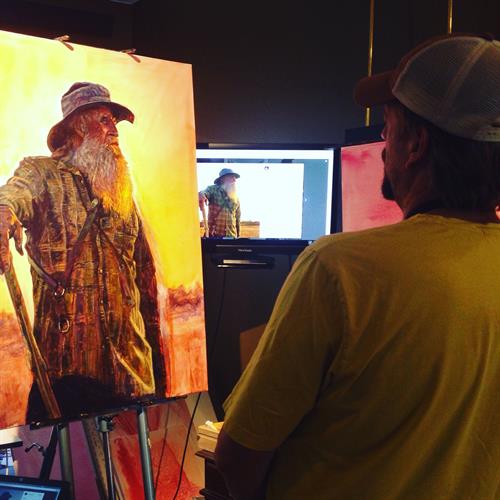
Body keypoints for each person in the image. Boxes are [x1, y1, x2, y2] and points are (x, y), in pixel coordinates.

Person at [215, 33, 500, 499]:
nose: (383, 148)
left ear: (416, 145)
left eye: (388, 129)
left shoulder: (339, 269)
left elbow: (240, 452)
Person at [0, 82, 166, 421]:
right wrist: (4, 214)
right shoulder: (41, 174)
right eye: (104, 120)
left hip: (132, 376)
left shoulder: (121, 195)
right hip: (67, 379)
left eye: (114, 123)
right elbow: (13, 196)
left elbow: (146, 286)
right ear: (78, 126)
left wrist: (162, 380)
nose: (114, 131)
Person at [199, 168, 241, 238]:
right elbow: (205, 192)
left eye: (235, 178)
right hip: (214, 237)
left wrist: (238, 237)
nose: (234, 180)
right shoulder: (213, 189)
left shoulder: (236, 198)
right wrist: (201, 194)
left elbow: (237, 219)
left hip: (231, 237)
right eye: (231, 177)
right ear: (222, 179)